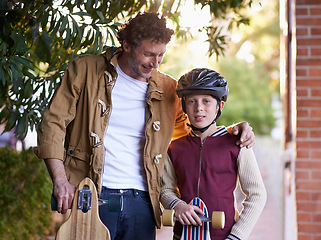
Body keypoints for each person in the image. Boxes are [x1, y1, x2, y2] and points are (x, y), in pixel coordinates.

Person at [34, 12, 255, 240]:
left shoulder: (168, 88)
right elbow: (52, 123)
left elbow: (197, 128)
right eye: (148, 54)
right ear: (127, 45)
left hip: (143, 201)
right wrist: (60, 180)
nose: (155, 62)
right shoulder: (86, 70)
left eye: (161, 55)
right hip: (93, 194)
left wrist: (233, 130)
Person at [160, 68, 267, 240]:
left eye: (206, 101)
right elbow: (165, 189)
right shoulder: (174, 148)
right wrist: (177, 205)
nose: (199, 108)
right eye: (192, 101)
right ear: (184, 106)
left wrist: (236, 237)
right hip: (181, 236)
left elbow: (257, 194)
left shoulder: (238, 144)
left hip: (225, 236)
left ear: (220, 106)